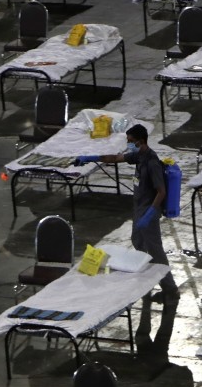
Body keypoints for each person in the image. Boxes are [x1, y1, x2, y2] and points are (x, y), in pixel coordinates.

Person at [74, 124, 179, 303]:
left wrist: (150, 214)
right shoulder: (138, 156)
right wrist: (92, 158)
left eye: (131, 141)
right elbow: (115, 158)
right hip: (139, 210)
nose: (128, 144)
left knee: (156, 250)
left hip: (149, 212)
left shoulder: (152, 162)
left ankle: (170, 289)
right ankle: (147, 278)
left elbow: (161, 192)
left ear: (141, 141)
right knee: (138, 242)